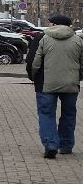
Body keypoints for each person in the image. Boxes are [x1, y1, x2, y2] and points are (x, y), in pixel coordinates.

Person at [27, 14, 83, 159]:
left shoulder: (43, 38)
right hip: (71, 84)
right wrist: (78, 78)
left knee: (46, 114)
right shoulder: (78, 40)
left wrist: (33, 76)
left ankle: (51, 144)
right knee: (69, 115)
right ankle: (66, 145)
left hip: (46, 85)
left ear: (54, 24)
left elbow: (35, 62)